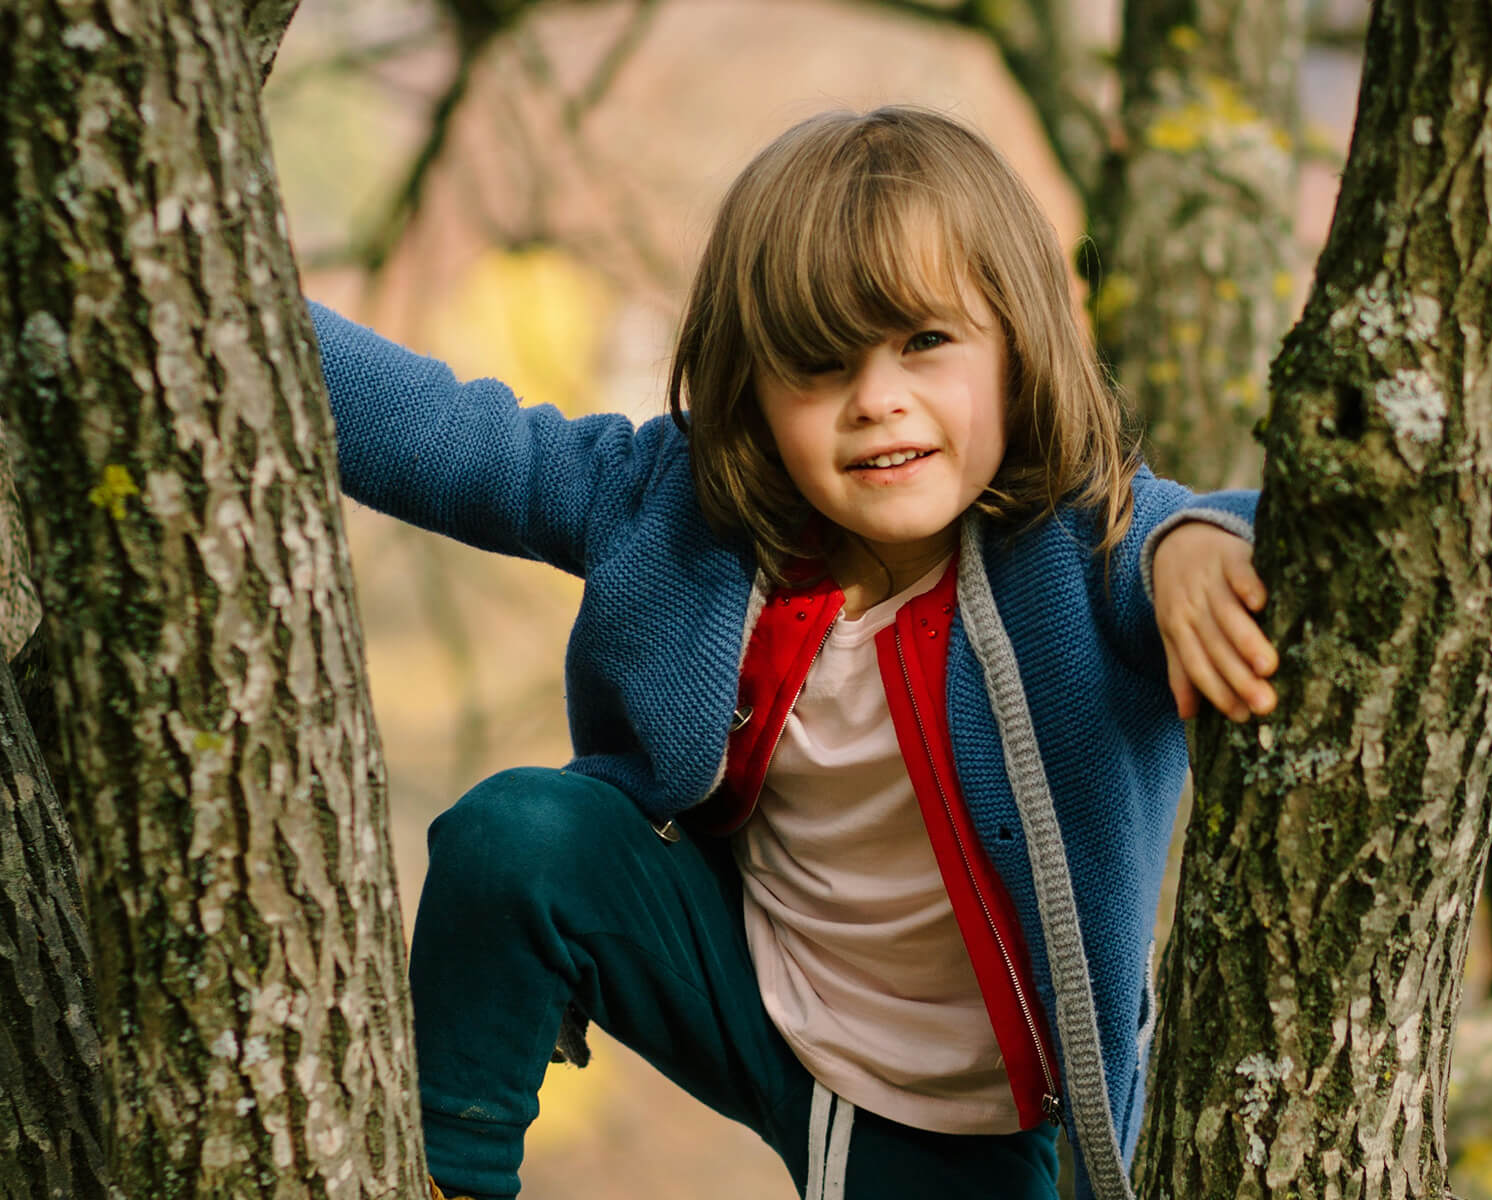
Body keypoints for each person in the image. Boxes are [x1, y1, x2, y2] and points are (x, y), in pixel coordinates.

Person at [310, 105, 1277, 1200]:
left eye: (925, 342)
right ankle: (444, 1172)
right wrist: (236, 306)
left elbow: (1241, 532)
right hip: (755, 994)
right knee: (520, 836)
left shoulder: (1079, 547)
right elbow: (458, 439)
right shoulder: (684, 514)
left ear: (1019, 343)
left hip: (977, 1126)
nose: (877, 401)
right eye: (818, 366)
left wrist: (1203, 539)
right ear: (754, 391)